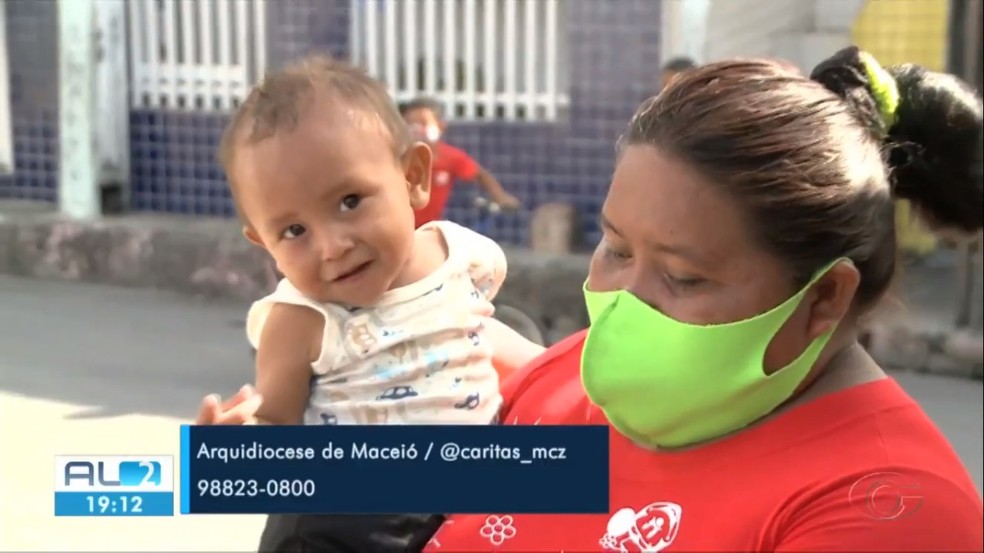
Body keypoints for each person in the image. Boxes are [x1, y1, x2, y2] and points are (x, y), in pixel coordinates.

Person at [210, 46, 984, 551]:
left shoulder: (883, 512)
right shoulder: (569, 384)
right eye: (614, 246)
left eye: (680, 276)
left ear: (822, 301)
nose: (617, 300)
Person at [194, 53, 545, 552]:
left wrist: (574, 369)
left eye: (350, 201)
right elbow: (274, 422)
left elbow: (480, 336)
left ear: (413, 178)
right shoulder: (301, 320)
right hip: (342, 525)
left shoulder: (460, 257)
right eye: (294, 231)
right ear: (265, 244)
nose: (332, 245)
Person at [398, 97, 520, 228]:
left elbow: (480, 175)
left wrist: (500, 196)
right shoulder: (396, 155)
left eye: (423, 123)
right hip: (398, 226)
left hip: (428, 229)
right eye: (411, 124)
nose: (416, 129)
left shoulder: (451, 157)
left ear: (440, 126)